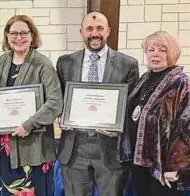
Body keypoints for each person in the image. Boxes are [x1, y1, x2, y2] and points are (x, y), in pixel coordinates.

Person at [56, 11, 139, 196]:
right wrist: (61, 115)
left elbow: (133, 107)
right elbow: (58, 99)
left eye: (100, 28)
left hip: (110, 147)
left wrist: (118, 127)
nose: (95, 33)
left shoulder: (128, 64)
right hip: (75, 146)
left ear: (108, 31)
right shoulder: (65, 63)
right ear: (81, 33)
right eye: (90, 29)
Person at [0, 15, 63, 196]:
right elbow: (0, 99)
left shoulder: (43, 64)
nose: (18, 38)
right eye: (13, 33)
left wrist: (28, 125)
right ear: (7, 36)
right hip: (6, 146)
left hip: (33, 148)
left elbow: (55, 101)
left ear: (32, 36)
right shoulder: (2, 61)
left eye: (23, 33)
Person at [120, 30, 190, 196]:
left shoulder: (181, 83)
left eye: (162, 50)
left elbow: (188, 128)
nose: (155, 54)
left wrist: (174, 166)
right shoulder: (145, 77)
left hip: (164, 167)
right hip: (141, 162)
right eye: (151, 49)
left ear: (172, 53)